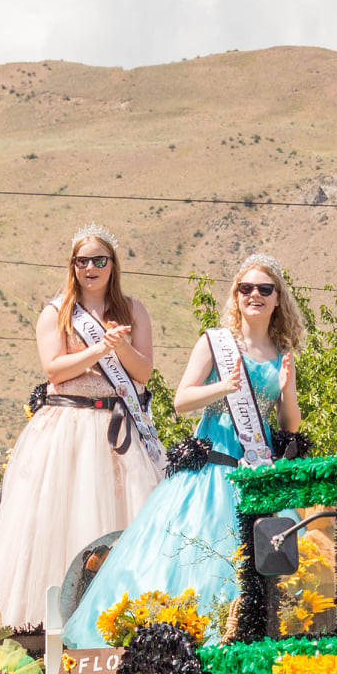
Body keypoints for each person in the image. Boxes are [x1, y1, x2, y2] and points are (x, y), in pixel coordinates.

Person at [62, 253, 302, 647]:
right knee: (194, 568)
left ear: (278, 299)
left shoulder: (281, 353)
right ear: (236, 297)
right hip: (210, 477)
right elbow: (182, 400)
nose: (254, 295)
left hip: (255, 478)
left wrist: (287, 389)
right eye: (246, 288)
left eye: (264, 289)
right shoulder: (216, 343)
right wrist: (224, 388)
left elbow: (288, 427)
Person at [0, 221, 164, 632]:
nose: (90, 268)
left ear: (112, 265)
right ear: (72, 266)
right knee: (60, 520)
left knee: (116, 520)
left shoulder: (132, 310)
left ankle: (118, 616)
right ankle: (53, 625)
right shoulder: (57, 312)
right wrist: (99, 348)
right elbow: (54, 370)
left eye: (99, 260)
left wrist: (121, 348)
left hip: (116, 428)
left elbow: (144, 373)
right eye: (82, 261)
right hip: (68, 426)